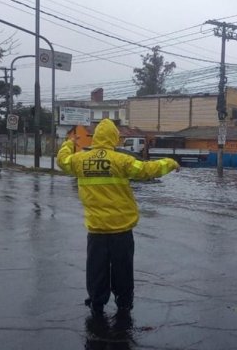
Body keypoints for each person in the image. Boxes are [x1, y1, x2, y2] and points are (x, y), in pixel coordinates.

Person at [57, 119, 180, 319]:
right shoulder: (121, 160)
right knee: (123, 269)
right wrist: (170, 163)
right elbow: (147, 170)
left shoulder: (81, 160)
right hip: (121, 229)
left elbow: (62, 161)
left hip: (96, 230)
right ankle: (124, 305)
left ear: (96, 138)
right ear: (114, 138)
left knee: (96, 269)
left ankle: (97, 303)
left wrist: (69, 142)